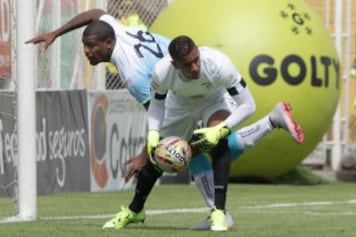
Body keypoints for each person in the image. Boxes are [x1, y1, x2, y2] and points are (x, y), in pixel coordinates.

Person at [25, 9, 233, 230]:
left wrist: (143, 155)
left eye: (92, 46)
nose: (87, 51)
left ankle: (271, 121)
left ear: (108, 43)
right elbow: (95, 13)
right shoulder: (114, 29)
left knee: (194, 147)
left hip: (196, 85)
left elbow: (159, 115)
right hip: (185, 83)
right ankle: (142, 210)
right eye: (85, 45)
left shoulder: (132, 73)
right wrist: (56, 33)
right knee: (176, 153)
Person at [102, 35, 303, 231]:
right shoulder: (162, 71)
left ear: (199, 52)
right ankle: (134, 211)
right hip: (179, 105)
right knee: (158, 156)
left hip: (214, 100)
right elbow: (156, 106)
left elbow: (249, 105)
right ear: (175, 64)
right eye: (187, 64)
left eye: (196, 60)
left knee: (217, 142)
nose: (195, 67)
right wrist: (153, 134)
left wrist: (219, 130)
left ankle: (219, 212)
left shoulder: (219, 64)